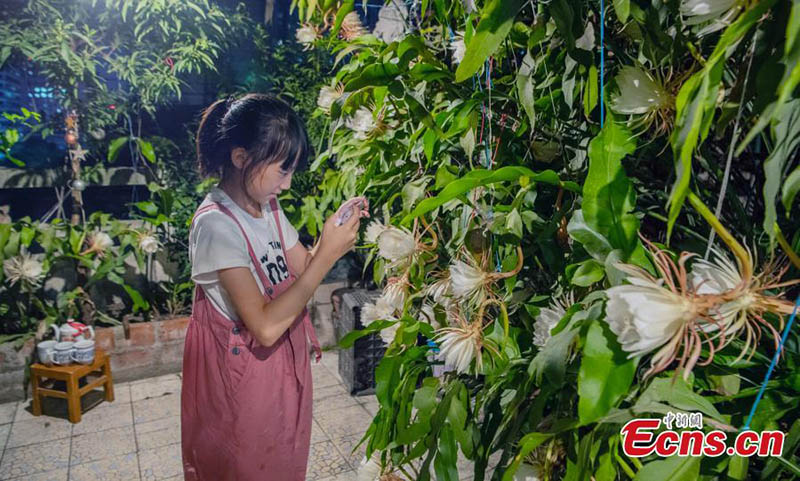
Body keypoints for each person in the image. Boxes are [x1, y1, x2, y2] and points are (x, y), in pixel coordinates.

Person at [181, 93, 366, 480]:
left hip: (278, 370)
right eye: (282, 170)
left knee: (281, 459)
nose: (287, 183)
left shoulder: (267, 209)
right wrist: (328, 257)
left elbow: (303, 267)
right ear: (240, 157)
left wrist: (331, 234)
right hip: (243, 379)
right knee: (244, 467)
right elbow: (264, 327)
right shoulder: (216, 226)